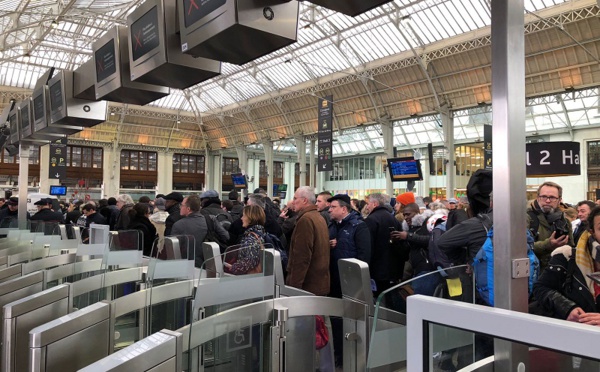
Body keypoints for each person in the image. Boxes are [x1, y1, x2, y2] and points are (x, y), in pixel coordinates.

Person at [533, 206, 600, 325]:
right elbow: (541, 288)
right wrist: (567, 308)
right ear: (592, 232)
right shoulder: (567, 257)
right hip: (574, 335)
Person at [286, 186, 330, 296]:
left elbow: (301, 257)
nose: (293, 202)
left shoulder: (306, 220)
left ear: (305, 200)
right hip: (318, 282)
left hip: (308, 286)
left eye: (295, 198)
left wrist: (294, 288)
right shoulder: (318, 217)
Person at [328, 194, 371, 298]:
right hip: (333, 276)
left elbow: (364, 254)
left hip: (350, 277)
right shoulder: (332, 225)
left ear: (343, 209)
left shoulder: (359, 226)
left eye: (333, 207)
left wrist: (356, 276)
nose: (329, 210)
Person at [364, 193, 404, 299]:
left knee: (379, 300)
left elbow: (368, 246)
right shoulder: (393, 219)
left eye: (368, 204)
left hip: (377, 269)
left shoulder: (371, 220)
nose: (367, 207)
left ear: (375, 204)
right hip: (392, 268)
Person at [527, 181, 573, 271]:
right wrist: (548, 244)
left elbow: (571, 248)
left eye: (552, 197)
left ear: (559, 200)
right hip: (535, 274)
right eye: (544, 196)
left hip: (559, 273)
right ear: (538, 198)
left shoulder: (565, 221)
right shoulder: (527, 218)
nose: (547, 201)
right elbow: (521, 248)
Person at [224, 205, 266, 275]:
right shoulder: (260, 233)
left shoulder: (250, 238)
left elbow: (250, 261)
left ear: (250, 219)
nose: (241, 218)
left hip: (249, 278)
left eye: (244, 216)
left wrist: (233, 267)